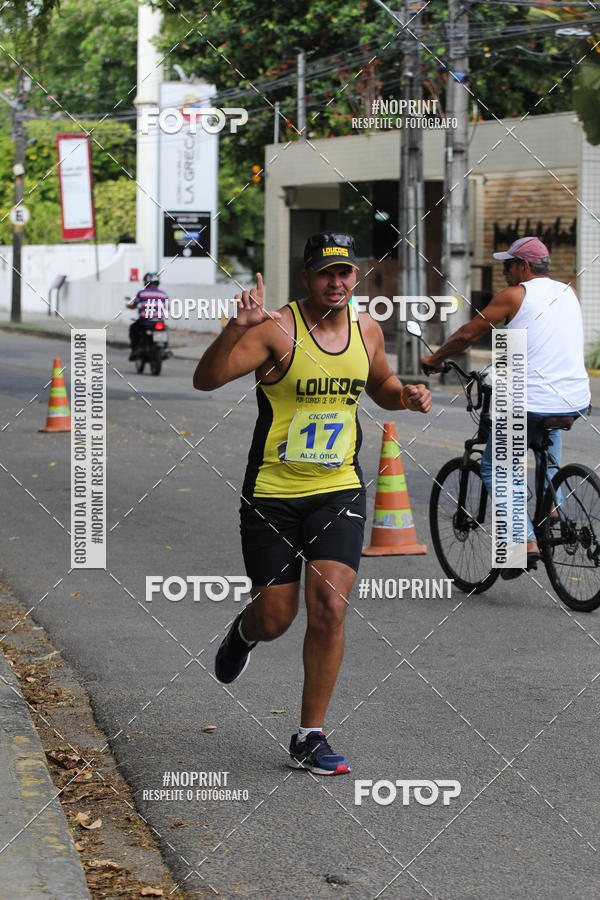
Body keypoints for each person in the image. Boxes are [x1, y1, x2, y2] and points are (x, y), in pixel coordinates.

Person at [193, 232, 431, 774]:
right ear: (307, 277)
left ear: (355, 277)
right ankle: (245, 631)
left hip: (337, 489)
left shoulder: (367, 329)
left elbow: (381, 383)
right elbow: (206, 380)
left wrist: (406, 395)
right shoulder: (276, 329)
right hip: (273, 496)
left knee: (330, 606)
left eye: (344, 272)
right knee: (277, 618)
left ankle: (310, 736)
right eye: (325, 272)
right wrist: (235, 328)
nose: (336, 282)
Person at [421, 236, 591, 580]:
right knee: (547, 453)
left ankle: (524, 542)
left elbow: (468, 335)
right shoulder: (568, 292)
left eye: (508, 265)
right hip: (573, 400)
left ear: (524, 267)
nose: (504, 272)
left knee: (497, 468)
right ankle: (552, 508)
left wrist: (435, 358)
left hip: (531, 402)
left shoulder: (515, 295)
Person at [127, 272, 169, 360]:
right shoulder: (163, 294)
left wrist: (128, 305)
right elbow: (167, 308)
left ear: (146, 282)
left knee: (133, 328)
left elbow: (134, 305)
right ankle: (164, 350)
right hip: (159, 322)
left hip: (145, 322)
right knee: (165, 330)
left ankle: (135, 349)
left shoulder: (142, 293)